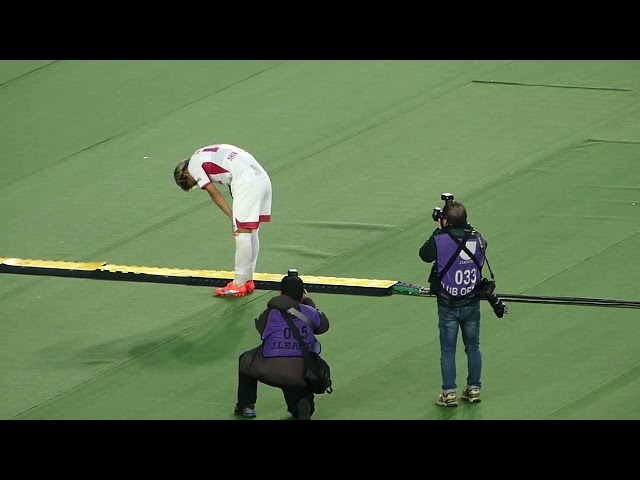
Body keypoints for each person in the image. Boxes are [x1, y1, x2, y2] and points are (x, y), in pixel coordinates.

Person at [173, 143, 272, 297]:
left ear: (185, 173)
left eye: (192, 183)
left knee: (242, 234)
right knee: (252, 232)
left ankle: (238, 284)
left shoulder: (193, 166)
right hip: (262, 178)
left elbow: (214, 193)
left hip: (246, 181)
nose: (197, 185)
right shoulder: (202, 153)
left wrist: (232, 217)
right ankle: (248, 280)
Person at [419, 200, 487, 407]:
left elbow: (424, 255)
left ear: (445, 221)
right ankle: (474, 389)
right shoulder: (478, 238)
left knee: (448, 350)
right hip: (471, 302)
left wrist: (439, 230)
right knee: (473, 347)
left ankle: (449, 393)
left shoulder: (439, 240)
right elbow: (482, 247)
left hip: (448, 305)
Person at [234, 273, 330, 420]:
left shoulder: (270, 312)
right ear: (302, 294)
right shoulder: (309, 312)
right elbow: (323, 326)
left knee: (245, 360)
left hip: (269, 368)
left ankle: (246, 407)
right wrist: (308, 303)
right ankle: (302, 405)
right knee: (298, 392)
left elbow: (261, 329)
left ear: (281, 293)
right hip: (300, 372)